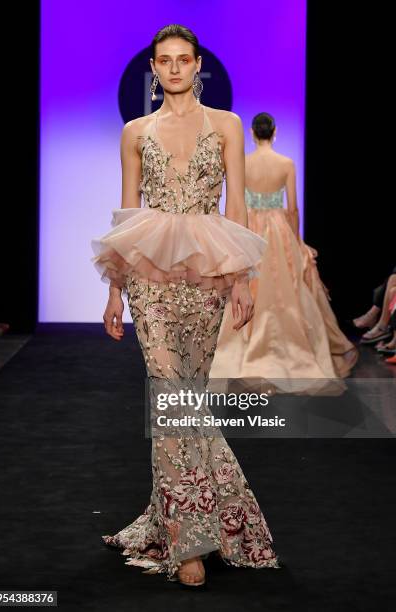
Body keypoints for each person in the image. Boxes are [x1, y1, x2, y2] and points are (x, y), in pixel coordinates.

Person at [91, 25, 280, 587]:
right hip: (149, 273)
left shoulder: (227, 125)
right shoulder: (134, 132)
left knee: (186, 399)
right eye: (164, 62)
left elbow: (238, 207)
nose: (174, 69)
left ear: (199, 66)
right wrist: (114, 290)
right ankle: (190, 542)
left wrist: (243, 280)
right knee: (170, 392)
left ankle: (177, 518)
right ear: (154, 69)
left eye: (183, 60)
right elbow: (128, 215)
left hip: (208, 275)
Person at [209, 112, 358, 393]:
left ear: (252, 133)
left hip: (250, 226)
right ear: (274, 132)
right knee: (281, 289)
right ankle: (284, 348)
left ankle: (244, 348)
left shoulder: (242, 162)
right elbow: (292, 208)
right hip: (277, 229)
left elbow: (236, 201)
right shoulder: (286, 163)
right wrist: (298, 241)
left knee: (250, 284)